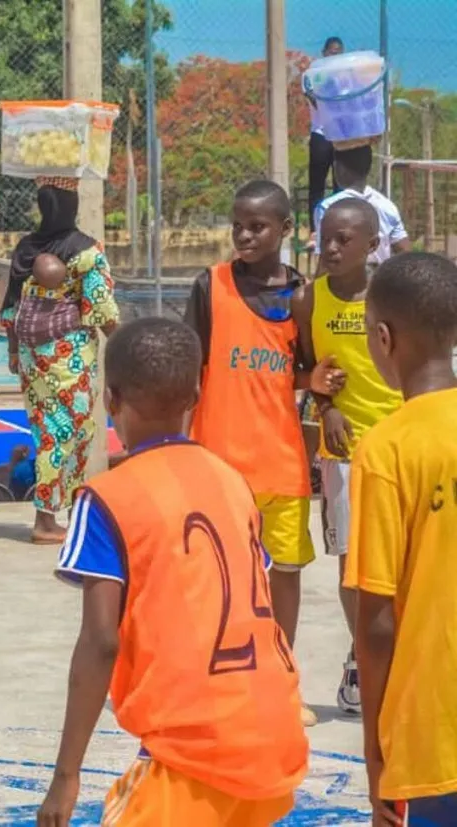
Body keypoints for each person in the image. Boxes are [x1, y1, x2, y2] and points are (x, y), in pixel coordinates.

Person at [39, 317, 308, 827]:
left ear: (109, 399)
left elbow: (100, 641)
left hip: (196, 747)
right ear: (197, 394)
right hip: (274, 732)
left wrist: (66, 775)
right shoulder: (232, 483)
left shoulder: (106, 499)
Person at [186, 179, 342, 727]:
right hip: (219, 463)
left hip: (281, 462)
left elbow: (301, 370)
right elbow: (191, 372)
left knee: (285, 576)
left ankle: (280, 680)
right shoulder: (210, 286)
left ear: (285, 230)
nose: (244, 236)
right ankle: (218, 681)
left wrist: (316, 380)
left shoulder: (302, 295)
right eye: (237, 225)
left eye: (257, 227)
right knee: (219, 579)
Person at [347, 252, 457, 826]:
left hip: (434, 735)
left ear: (384, 338)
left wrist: (374, 752)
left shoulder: (388, 450)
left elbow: (378, 620)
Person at [292, 199, 402, 718]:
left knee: (405, 564)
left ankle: (402, 659)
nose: (332, 248)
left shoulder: (392, 299)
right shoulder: (308, 301)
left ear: (372, 245)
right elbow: (309, 368)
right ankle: (364, 657)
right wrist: (326, 405)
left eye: (345, 240)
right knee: (352, 568)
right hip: (343, 455)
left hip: (401, 451)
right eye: (326, 237)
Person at [0, 178, 120, 544]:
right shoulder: (85, 251)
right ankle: (47, 520)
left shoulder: (25, 249)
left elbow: (10, 305)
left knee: (45, 430)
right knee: (70, 433)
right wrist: (127, 344)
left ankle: (55, 512)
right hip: (69, 358)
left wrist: (13, 351)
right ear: (72, 207)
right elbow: (100, 307)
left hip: (33, 356)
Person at [312, 144, 410, 269]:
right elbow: (404, 252)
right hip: (378, 282)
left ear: (337, 168)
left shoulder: (328, 207)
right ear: (368, 168)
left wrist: (314, 288)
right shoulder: (387, 206)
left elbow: (325, 260)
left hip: (343, 284)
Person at [307, 36, 345, 215]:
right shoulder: (312, 74)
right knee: (317, 185)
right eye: (332, 52)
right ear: (324, 52)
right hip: (321, 135)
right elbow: (317, 102)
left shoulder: (347, 77)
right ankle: (315, 230)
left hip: (342, 136)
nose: (335, 56)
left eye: (339, 53)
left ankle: (339, 224)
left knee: (341, 184)